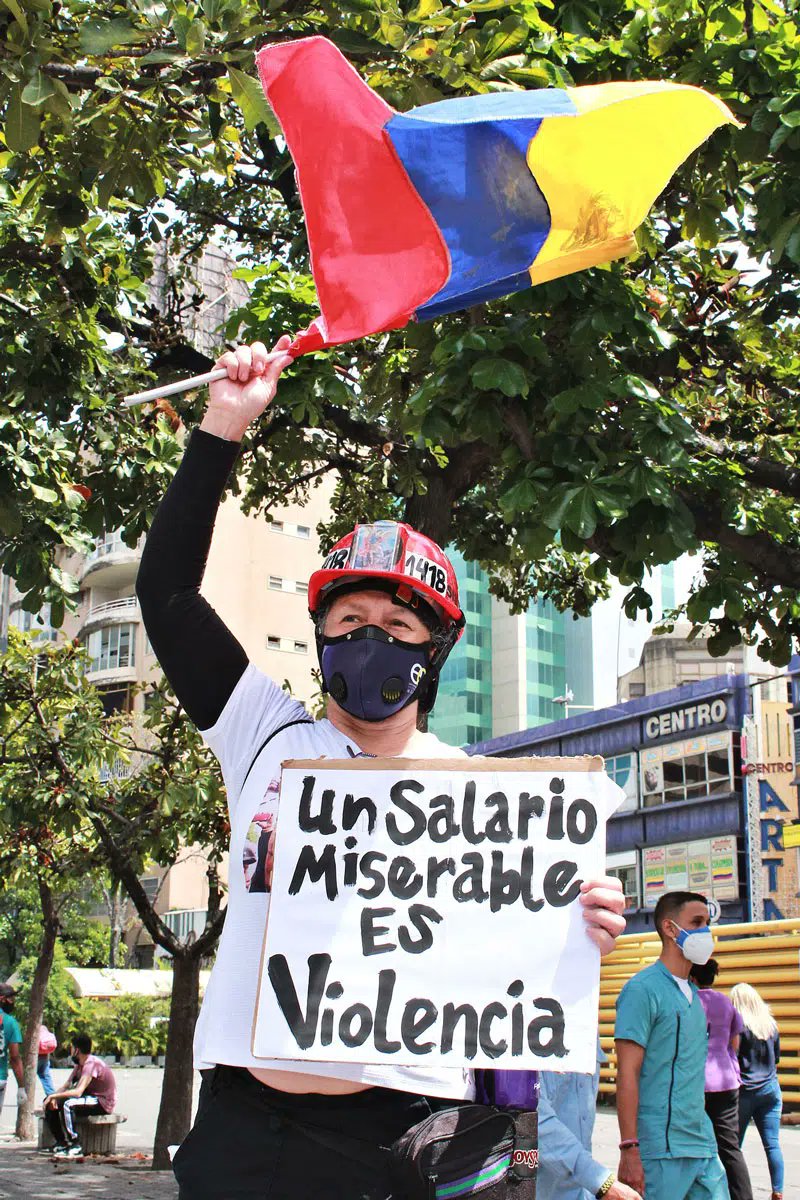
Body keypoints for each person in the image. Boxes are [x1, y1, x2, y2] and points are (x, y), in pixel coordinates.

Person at [136, 339, 628, 1200]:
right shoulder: (263, 736)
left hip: (405, 1140)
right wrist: (223, 424)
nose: (370, 638)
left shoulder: (481, 795)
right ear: (321, 638)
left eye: (398, 627)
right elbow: (168, 595)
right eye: (349, 620)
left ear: (432, 653)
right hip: (245, 1135)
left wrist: (578, 924)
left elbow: (515, 979)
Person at [614, 891, 728, 1200]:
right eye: (697, 922)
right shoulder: (641, 990)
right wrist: (629, 1147)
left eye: (707, 923)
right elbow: (627, 1072)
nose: (706, 931)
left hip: (702, 1144)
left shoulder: (695, 996)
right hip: (660, 1149)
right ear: (670, 928)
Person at [538, 1039, 642, 1200]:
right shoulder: (523, 1035)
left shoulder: (587, 1033)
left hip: (581, 1191)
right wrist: (601, 1183)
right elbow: (535, 1120)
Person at [688, 959, 752, 1200]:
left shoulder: (688, 1001)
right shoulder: (725, 1002)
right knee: (730, 1147)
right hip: (726, 1081)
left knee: (691, 1145)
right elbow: (734, 1043)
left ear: (692, 977)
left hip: (695, 1083)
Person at [731, 983, 784, 1200]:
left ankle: (733, 1190)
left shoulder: (739, 1027)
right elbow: (776, 1059)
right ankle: (777, 1190)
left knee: (733, 1146)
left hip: (746, 1091)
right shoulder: (770, 1025)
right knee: (772, 1144)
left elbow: (732, 1058)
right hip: (771, 1090)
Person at [43, 1033, 117, 1157]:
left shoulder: (91, 1064)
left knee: (68, 1104)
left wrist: (54, 1096)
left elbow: (78, 1092)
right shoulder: (79, 1065)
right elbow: (66, 1085)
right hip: (88, 1098)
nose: (70, 1051)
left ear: (77, 1050)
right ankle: (61, 1142)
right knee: (50, 1102)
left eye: (72, 1048)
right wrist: (52, 1097)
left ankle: (75, 1144)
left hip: (101, 1101)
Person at [0, 982, 27, 1115]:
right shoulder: (10, 1022)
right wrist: (21, 1087)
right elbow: (15, 1057)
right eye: (11, 998)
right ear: (2, 999)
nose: (13, 1001)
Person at [37, 1023, 57, 1097]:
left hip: (36, 1056)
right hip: (45, 1056)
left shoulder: (36, 1029)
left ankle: (26, 1096)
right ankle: (51, 1095)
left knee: (28, 1077)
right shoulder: (46, 1030)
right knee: (46, 1076)